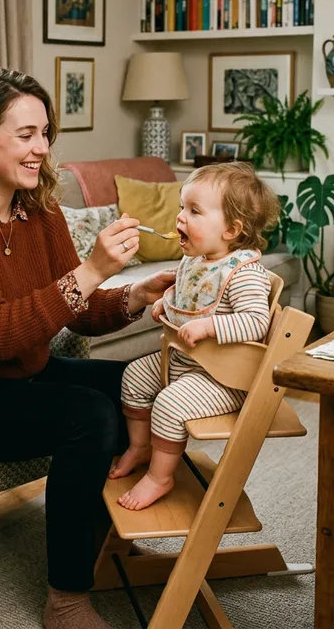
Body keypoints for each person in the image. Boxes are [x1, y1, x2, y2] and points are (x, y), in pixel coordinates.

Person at [0, 68, 175, 629]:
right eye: (25, 135)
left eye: (45, 133)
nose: (42, 148)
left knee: (141, 387)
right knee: (90, 415)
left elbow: (76, 309)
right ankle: (66, 600)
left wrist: (135, 295)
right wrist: (93, 269)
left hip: (19, 376)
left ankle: (106, 538)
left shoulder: (37, 209)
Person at [107, 163, 281, 511]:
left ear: (231, 229)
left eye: (194, 211)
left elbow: (256, 322)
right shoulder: (197, 261)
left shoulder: (243, 274)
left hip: (223, 378)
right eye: (181, 207)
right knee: (133, 377)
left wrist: (210, 327)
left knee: (169, 405)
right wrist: (166, 303)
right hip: (185, 362)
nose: (180, 217)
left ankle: (160, 477)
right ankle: (140, 447)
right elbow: (187, 296)